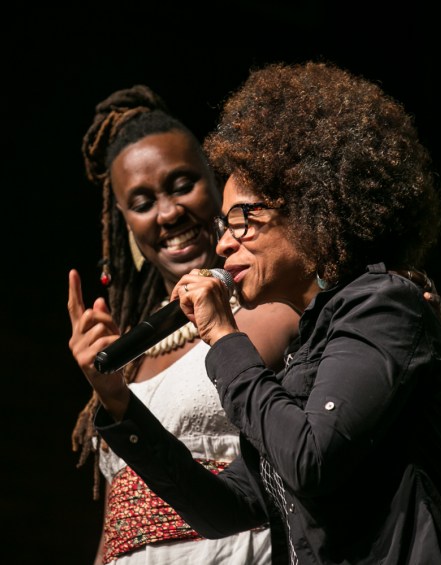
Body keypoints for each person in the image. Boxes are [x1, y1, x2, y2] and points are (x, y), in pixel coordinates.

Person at [81, 62, 441, 564]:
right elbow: (224, 511)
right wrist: (122, 407)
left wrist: (224, 336)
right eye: (224, 225)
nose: (223, 244)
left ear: (309, 209)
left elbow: (310, 459)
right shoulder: (306, 354)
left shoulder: (386, 306)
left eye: (241, 219)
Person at [68, 84, 300, 564]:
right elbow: (117, 526)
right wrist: (109, 392)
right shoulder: (132, 350)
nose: (170, 213)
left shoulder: (274, 307)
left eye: (181, 185)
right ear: (126, 223)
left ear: (217, 184)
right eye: (142, 203)